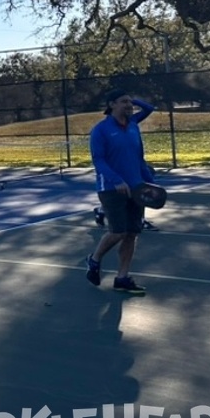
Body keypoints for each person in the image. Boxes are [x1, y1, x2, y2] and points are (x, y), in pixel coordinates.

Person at [85, 89, 156, 295]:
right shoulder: (101, 130)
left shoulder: (133, 126)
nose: (129, 105)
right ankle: (94, 259)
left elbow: (139, 158)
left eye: (130, 102)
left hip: (136, 187)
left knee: (132, 233)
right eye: (124, 101)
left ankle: (122, 278)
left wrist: (150, 183)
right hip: (111, 188)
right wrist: (116, 180)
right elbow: (99, 160)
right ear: (111, 104)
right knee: (118, 231)